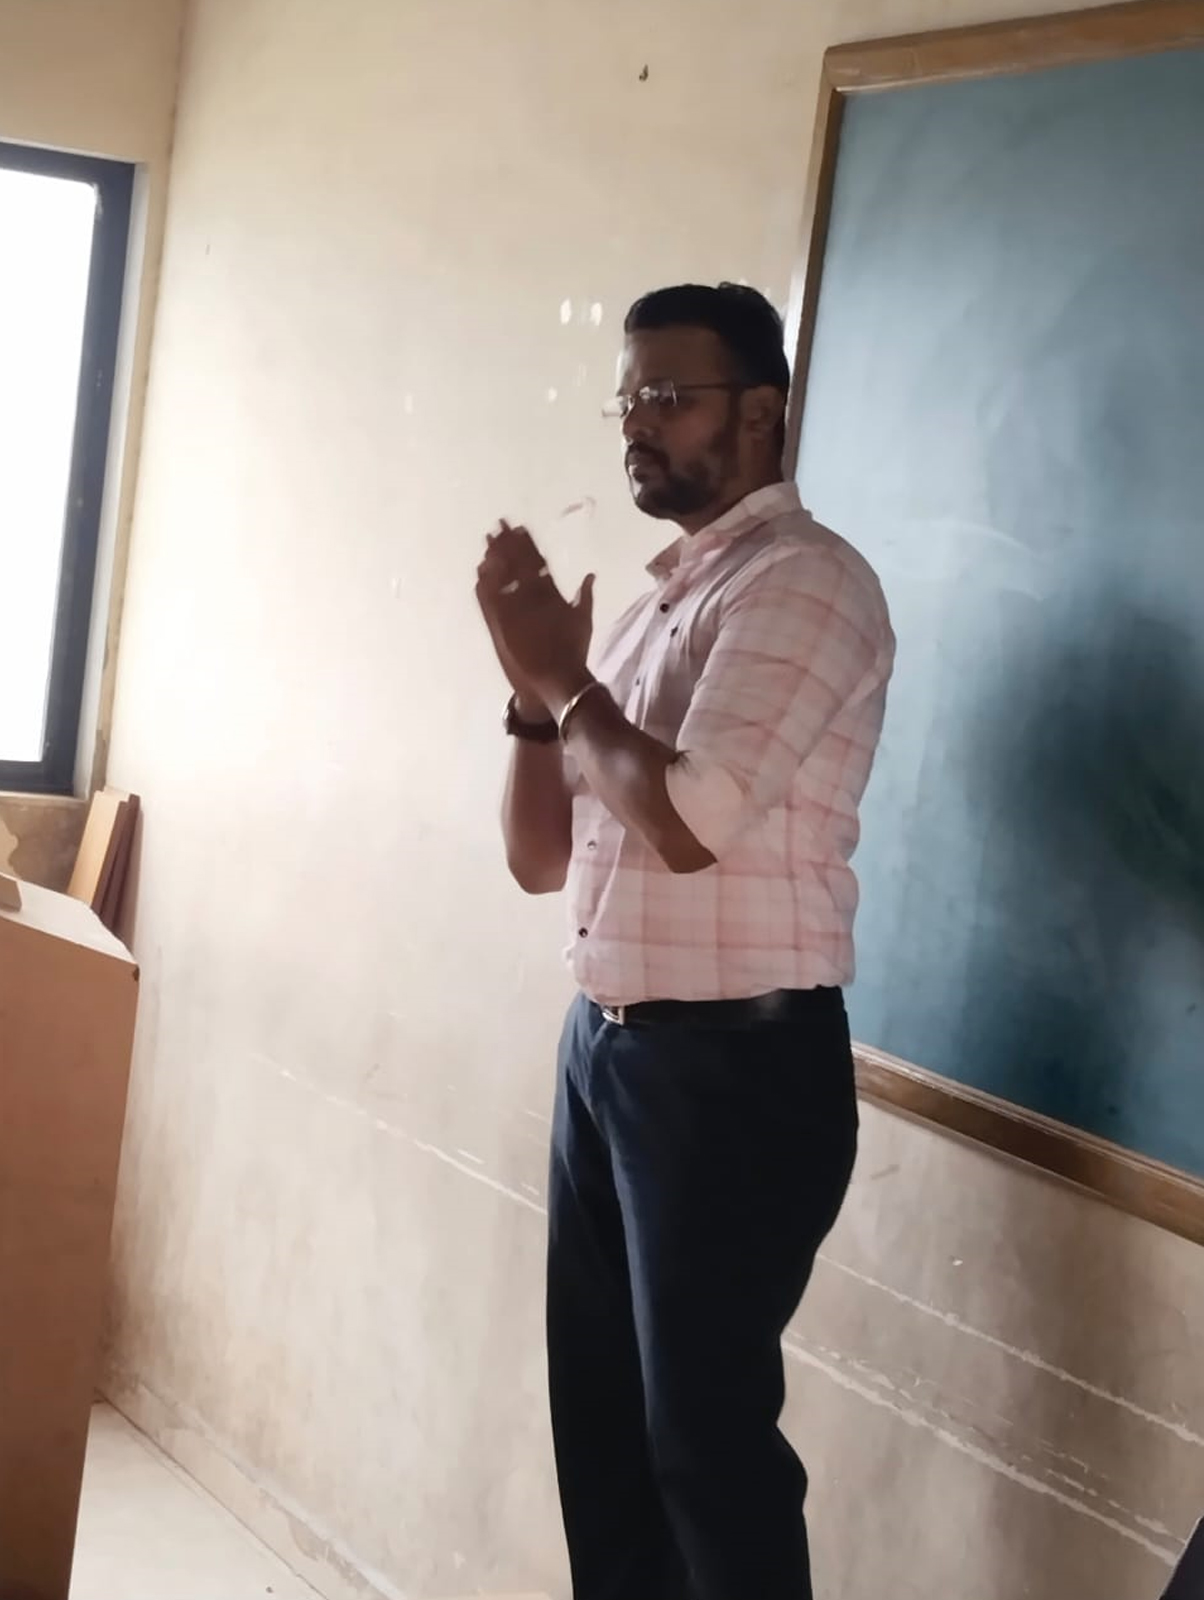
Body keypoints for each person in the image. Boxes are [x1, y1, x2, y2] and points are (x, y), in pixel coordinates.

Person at [475, 283, 895, 1600]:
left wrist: (565, 681)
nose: (637, 426)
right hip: (606, 1052)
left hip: (736, 1074)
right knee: (605, 1437)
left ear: (760, 412)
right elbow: (542, 858)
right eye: (628, 399)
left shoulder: (806, 584)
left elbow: (692, 821)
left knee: (705, 1452)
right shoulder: (655, 606)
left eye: (668, 395)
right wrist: (533, 701)